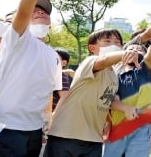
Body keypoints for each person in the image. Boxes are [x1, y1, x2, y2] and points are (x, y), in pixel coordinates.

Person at [0, 0, 62, 157]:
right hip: (7, 128)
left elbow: (48, 93)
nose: (40, 11)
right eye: (35, 10)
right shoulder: (17, 39)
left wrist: (46, 122)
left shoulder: (53, 56)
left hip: (34, 131)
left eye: (44, 11)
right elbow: (23, 13)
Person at [45, 28, 139, 156]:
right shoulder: (90, 62)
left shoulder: (114, 75)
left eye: (118, 42)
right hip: (66, 135)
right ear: (92, 48)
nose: (114, 45)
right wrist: (124, 54)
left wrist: (125, 109)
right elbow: (104, 60)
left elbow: (109, 99)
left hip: (93, 138)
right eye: (107, 41)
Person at [103, 38, 151, 157]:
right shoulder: (113, 73)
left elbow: (150, 58)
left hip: (141, 127)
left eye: (139, 50)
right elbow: (110, 101)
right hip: (117, 127)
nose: (134, 51)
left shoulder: (147, 71)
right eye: (130, 49)